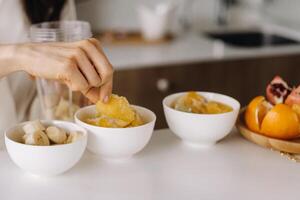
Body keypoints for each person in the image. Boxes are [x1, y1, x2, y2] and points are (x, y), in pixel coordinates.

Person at [0, 0, 114, 132]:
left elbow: (50, 96)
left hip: (21, 142)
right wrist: (22, 55)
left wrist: (65, 91)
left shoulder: (59, 4)